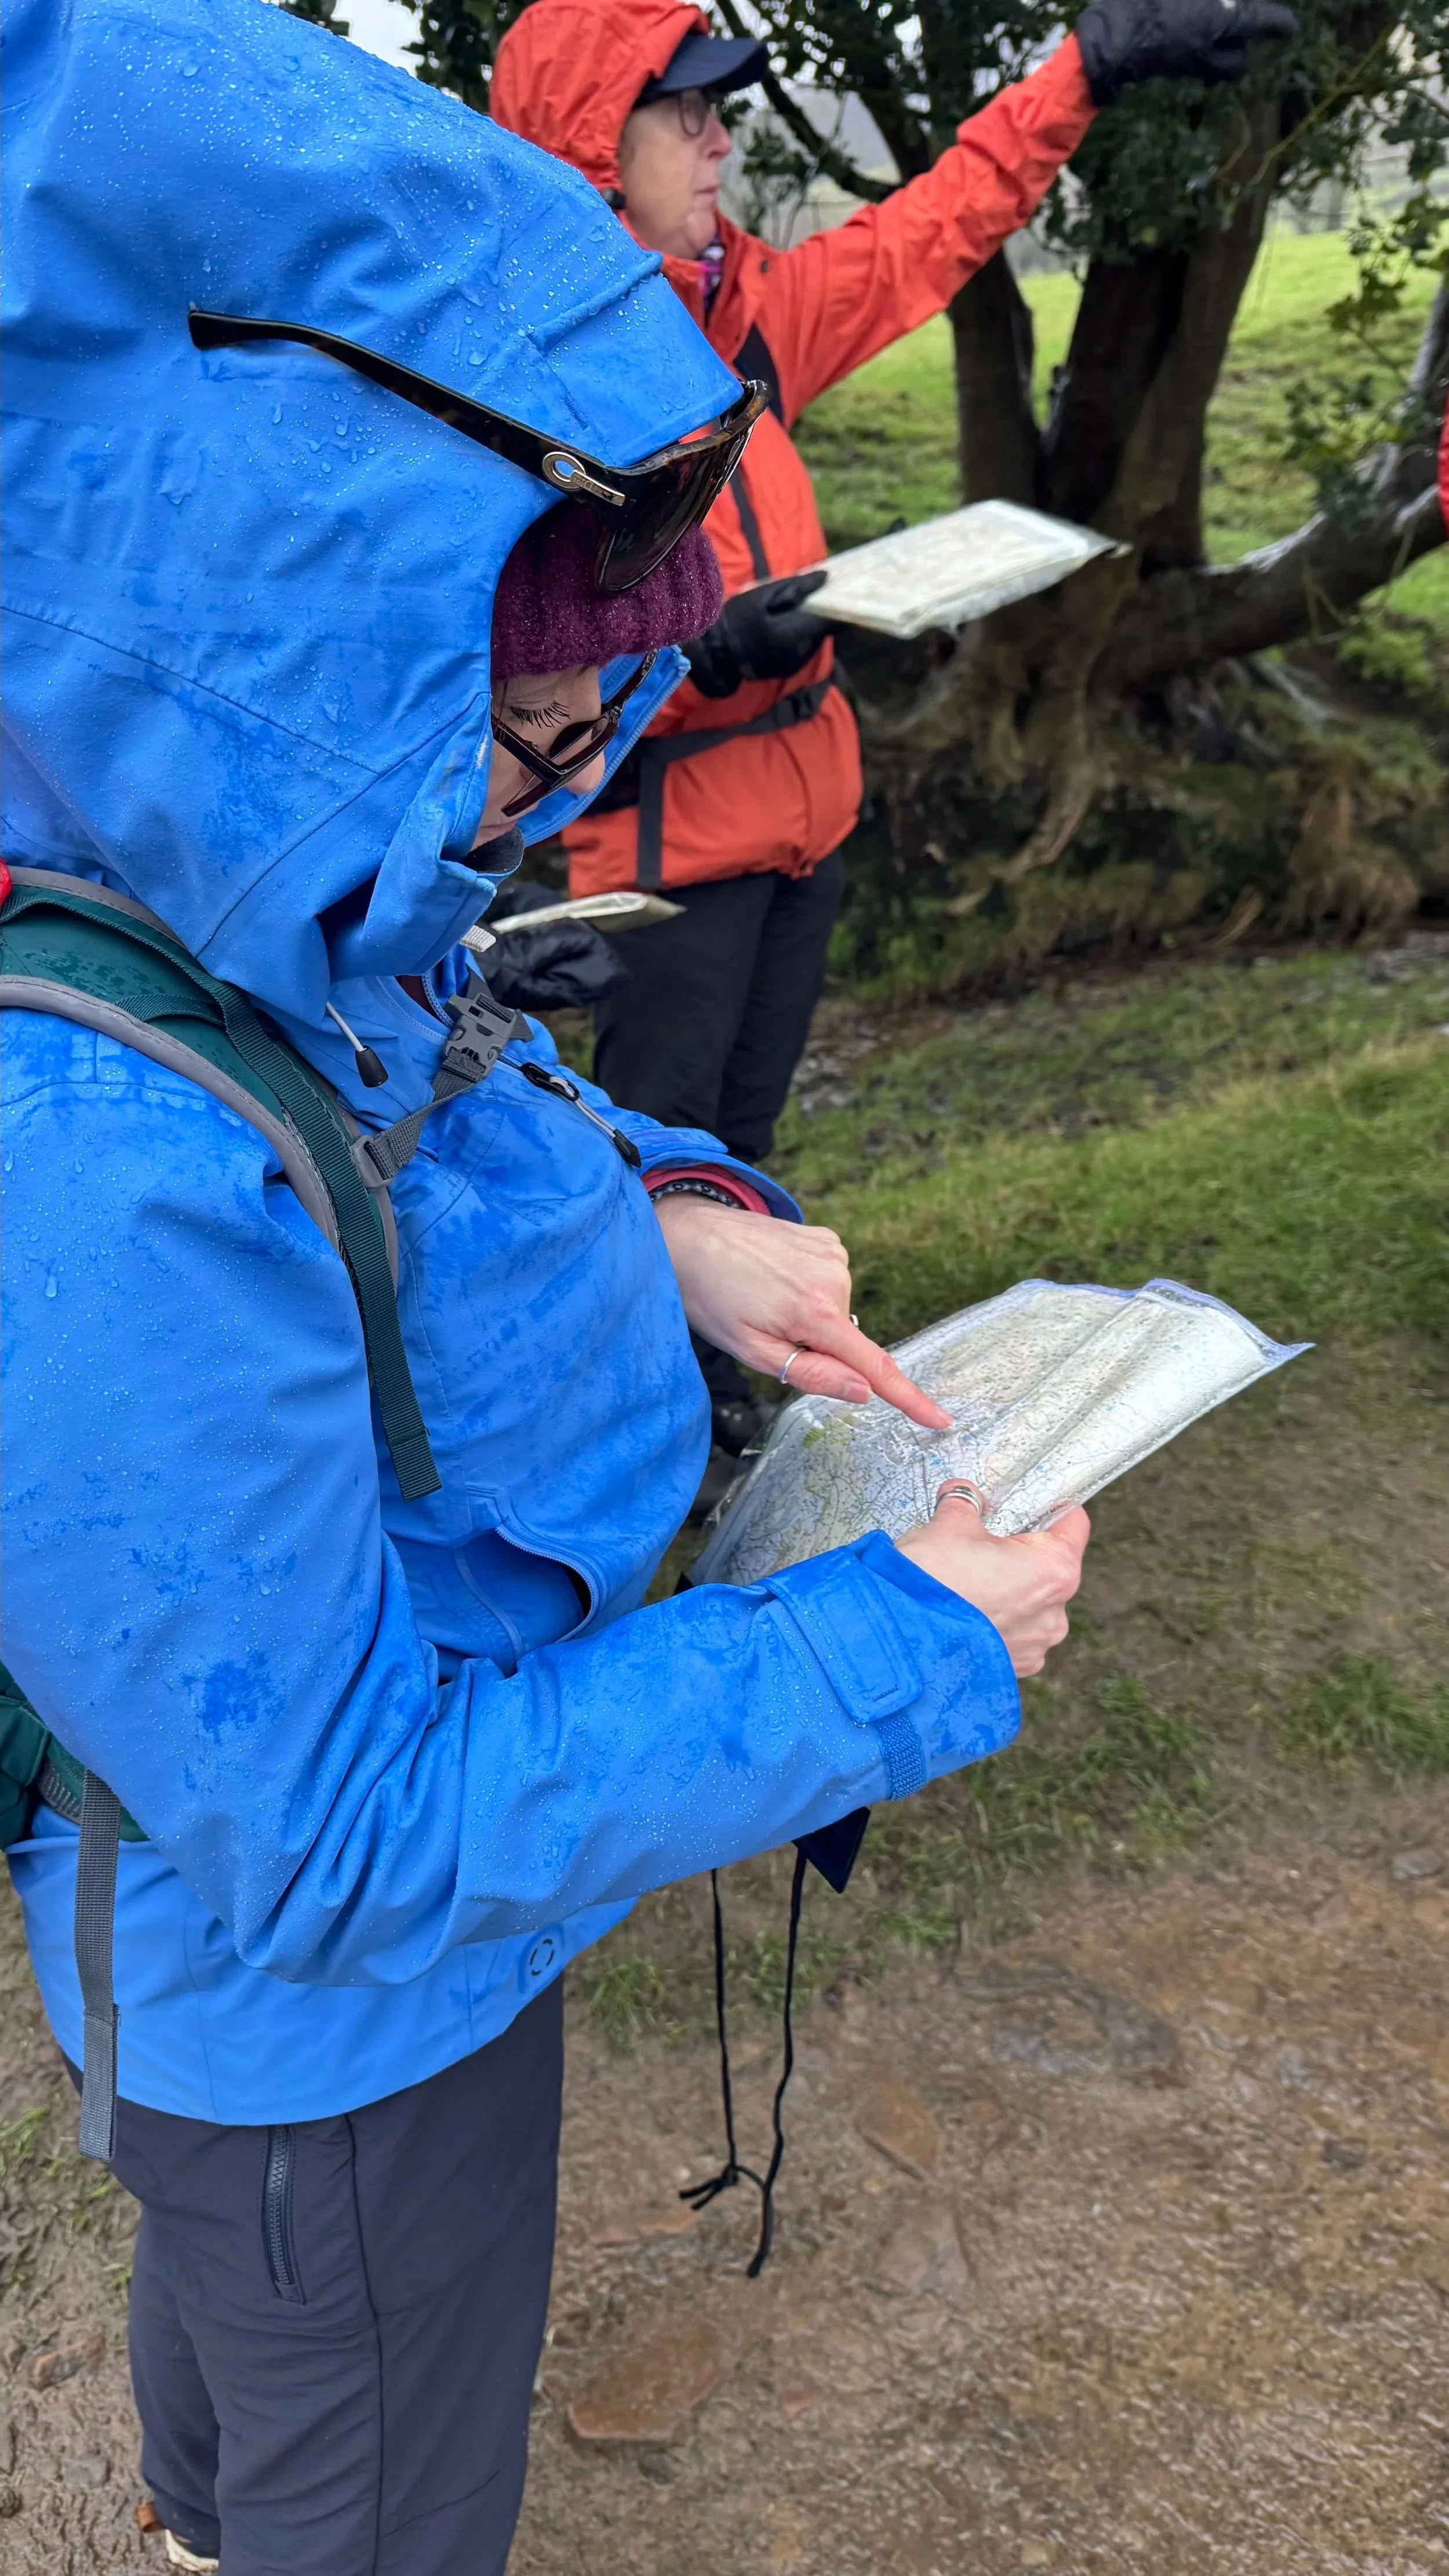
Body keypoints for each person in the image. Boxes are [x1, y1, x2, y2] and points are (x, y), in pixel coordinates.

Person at [2, 4, 1094, 2567]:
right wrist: (896, 1647)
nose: (586, 733)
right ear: (277, 614)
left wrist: (670, 1213)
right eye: (517, 694)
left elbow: (443, 1079)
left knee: (242, 2415)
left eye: (614, 637)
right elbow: (348, 1833)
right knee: (357, 2447)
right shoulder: (84, 1165)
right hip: (344, 2045)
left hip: (321, 2014)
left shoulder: (247, 857)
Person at [491, 0, 1297, 1456]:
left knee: (740, 1144)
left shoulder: (746, 323)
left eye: (723, 105)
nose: (719, 132)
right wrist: (701, 641)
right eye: (680, 110)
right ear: (582, 147)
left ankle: (724, 1396)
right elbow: (491, 654)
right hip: (673, 849)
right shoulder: (527, 382)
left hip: (810, 825)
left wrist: (1081, 73)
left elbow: (933, 233)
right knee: (652, 1167)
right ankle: (621, 1441)